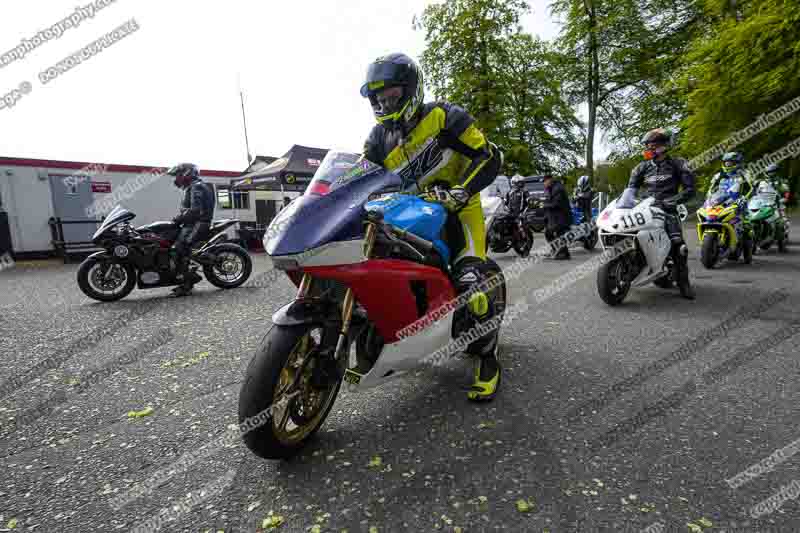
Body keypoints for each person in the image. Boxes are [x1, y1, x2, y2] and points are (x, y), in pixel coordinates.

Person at [360, 52, 503, 401]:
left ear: (411, 90)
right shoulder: (378, 138)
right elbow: (360, 177)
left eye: (390, 94)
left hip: (460, 207)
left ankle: (487, 358)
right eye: (377, 98)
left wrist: (462, 191)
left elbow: (490, 156)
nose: (383, 103)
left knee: (472, 283)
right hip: (408, 212)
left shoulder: (444, 116)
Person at [627, 128, 696, 299]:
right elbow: (630, 190)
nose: (649, 147)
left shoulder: (678, 164)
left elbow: (690, 189)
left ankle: (683, 283)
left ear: (665, 145)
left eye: (653, 144)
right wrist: (626, 202)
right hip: (645, 208)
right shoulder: (641, 167)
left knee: (678, 245)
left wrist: (673, 200)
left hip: (668, 208)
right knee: (626, 232)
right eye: (648, 144)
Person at [166, 163, 215, 297]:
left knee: (179, 249)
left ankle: (188, 282)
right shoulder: (192, 187)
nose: (176, 178)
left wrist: (178, 218)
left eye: (178, 175)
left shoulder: (196, 187)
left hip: (198, 223)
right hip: (192, 223)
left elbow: (195, 211)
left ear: (187, 173)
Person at [542, 174, 573, 260]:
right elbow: (548, 200)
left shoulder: (558, 188)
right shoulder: (550, 188)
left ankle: (562, 253)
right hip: (556, 216)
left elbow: (556, 204)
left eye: (545, 181)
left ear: (549, 180)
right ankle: (560, 251)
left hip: (562, 216)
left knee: (559, 234)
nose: (544, 183)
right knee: (550, 233)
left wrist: (544, 205)